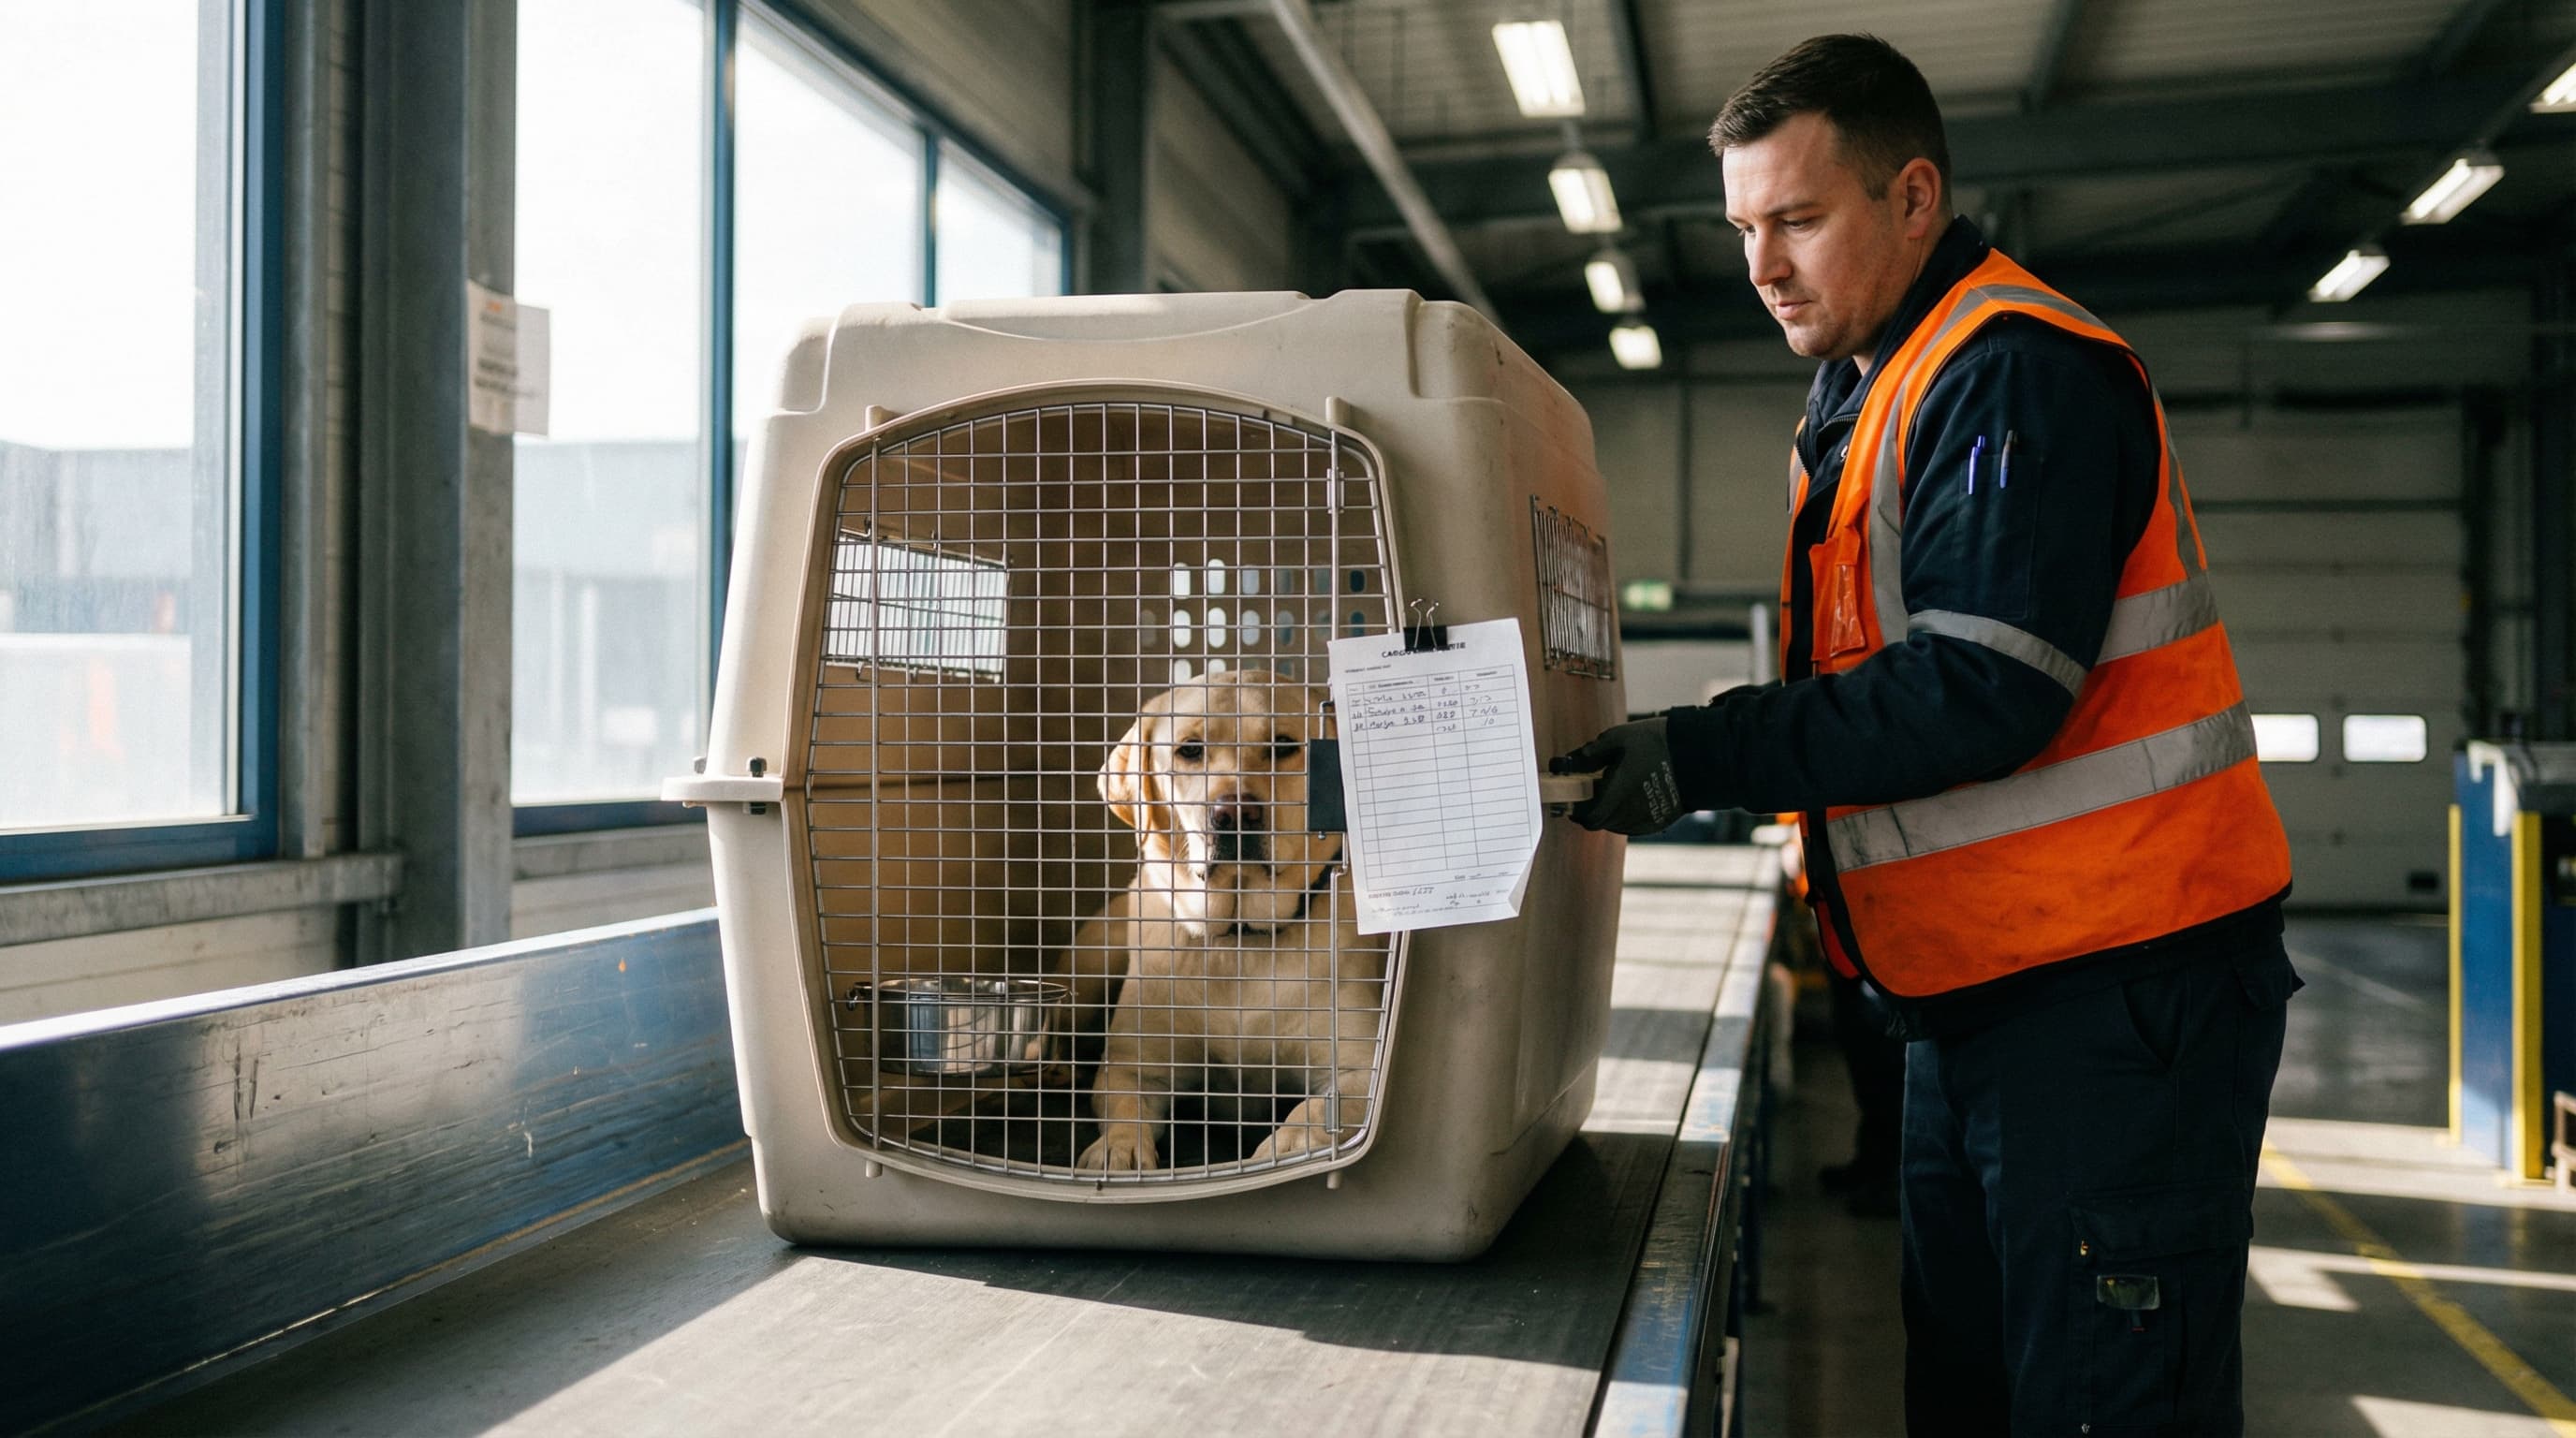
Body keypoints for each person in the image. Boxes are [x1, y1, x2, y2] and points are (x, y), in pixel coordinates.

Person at [1554, 34, 2300, 1438]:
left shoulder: (2012, 373)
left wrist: (1706, 754)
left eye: (1797, 219)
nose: (1763, 265)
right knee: (1970, 1390)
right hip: (1983, 992)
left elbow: (1982, 688)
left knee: (2094, 1406)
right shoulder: (1868, 391)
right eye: (1742, 229)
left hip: (2118, 998)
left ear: (1912, 198)